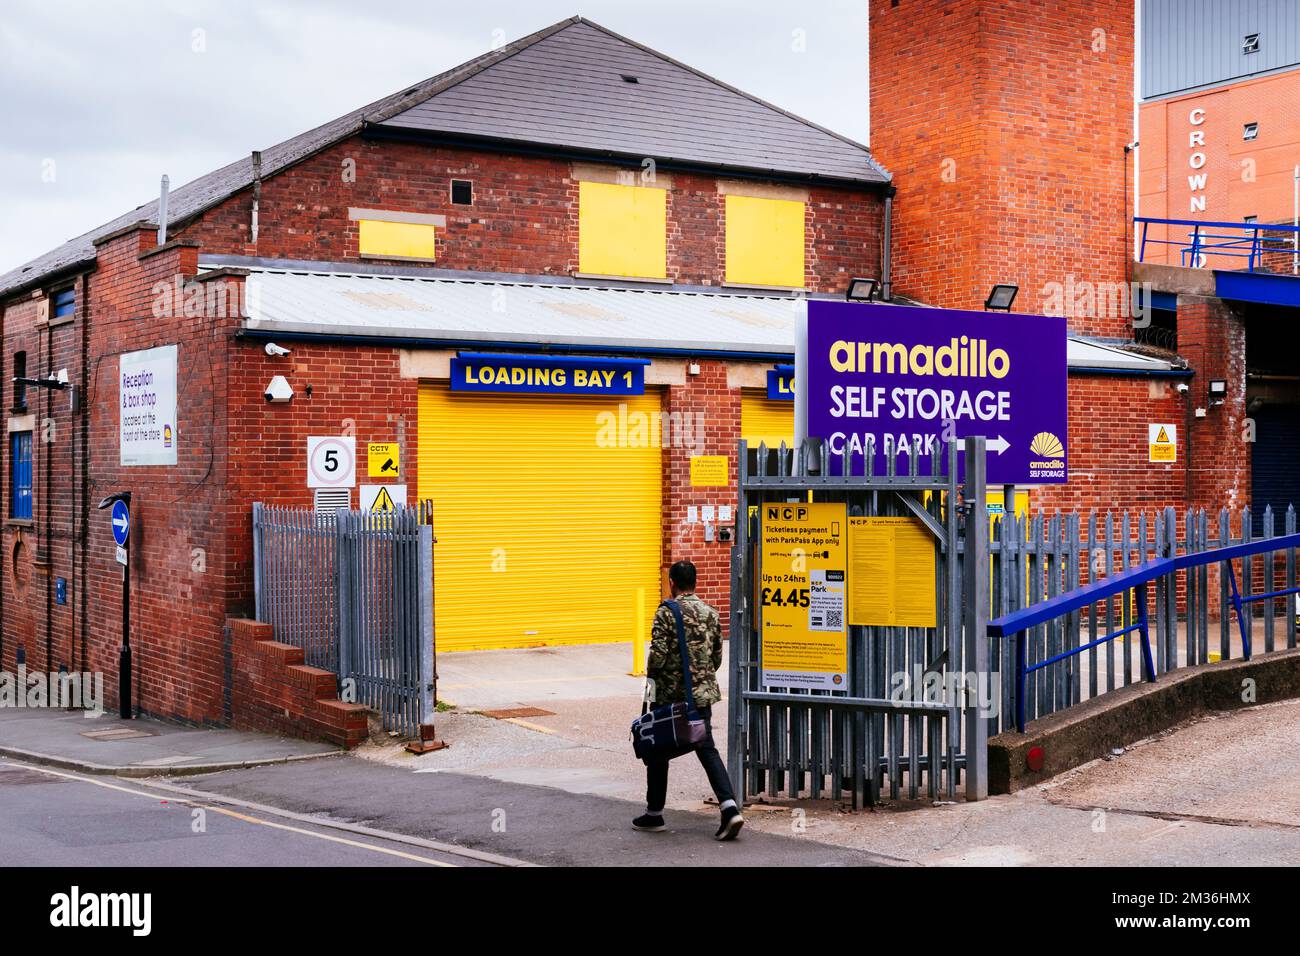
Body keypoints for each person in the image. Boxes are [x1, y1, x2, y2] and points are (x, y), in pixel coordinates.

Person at [633, 559, 743, 841]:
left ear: (672, 582)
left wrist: (650, 694)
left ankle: (654, 814)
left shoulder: (666, 612)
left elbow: (656, 657)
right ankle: (729, 807)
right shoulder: (711, 613)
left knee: (657, 751)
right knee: (706, 748)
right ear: (695, 583)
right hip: (700, 697)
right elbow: (716, 658)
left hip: (670, 697)